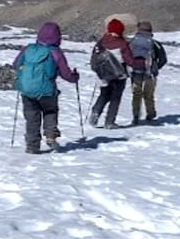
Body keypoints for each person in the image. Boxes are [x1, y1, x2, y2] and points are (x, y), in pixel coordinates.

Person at [13, 22, 80, 153]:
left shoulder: (27, 49)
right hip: (47, 91)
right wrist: (75, 77)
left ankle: (32, 146)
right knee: (50, 112)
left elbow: (16, 64)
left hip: (27, 90)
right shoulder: (55, 53)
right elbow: (66, 74)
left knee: (32, 118)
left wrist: (24, 75)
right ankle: (51, 136)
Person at [88, 18, 135, 129]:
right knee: (115, 98)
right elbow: (129, 61)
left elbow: (94, 58)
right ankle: (109, 122)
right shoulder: (122, 43)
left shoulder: (101, 42)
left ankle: (95, 113)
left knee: (104, 95)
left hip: (103, 75)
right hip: (118, 75)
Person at [129, 20, 167, 124]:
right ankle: (150, 114)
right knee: (148, 95)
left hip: (135, 72)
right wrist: (155, 68)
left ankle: (136, 116)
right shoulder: (154, 43)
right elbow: (163, 59)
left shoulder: (132, 42)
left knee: (136, 94)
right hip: (150, 73)